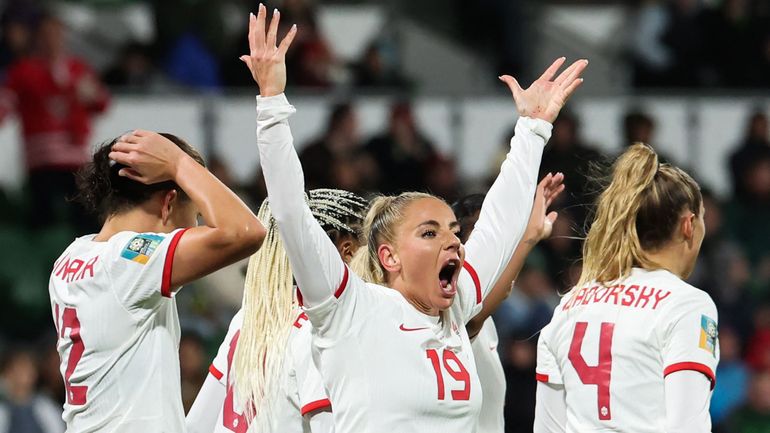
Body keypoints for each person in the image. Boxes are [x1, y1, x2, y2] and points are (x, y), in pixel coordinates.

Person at [241, 5, 586, 431]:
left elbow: (499, 223)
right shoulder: (350, 309)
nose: (454, 241)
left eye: (454, 232)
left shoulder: (456, 307)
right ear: (388, 256)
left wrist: (532, 130)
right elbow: (292, 213)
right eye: (430, 232)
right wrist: (271, 103)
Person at [48, 131, 265, 432]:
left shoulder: (71, 257)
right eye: (197, 216)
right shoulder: (128, 260)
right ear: (169, 203)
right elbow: (246, 232)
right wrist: (178, 163)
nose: (197, 228)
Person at [534, 143, 719, 432]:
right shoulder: (687, 304)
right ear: (689, 225)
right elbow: (688, 426)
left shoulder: (569, 304)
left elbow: (547, 428)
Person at [185, 188, 367, 433]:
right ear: (348, 251)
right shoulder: (321, 330)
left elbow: (198, 422)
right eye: (369, 250)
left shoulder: (250, 317)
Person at [451, 173, 563, 433]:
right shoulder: (450, 306)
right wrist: (529, 238)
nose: (495, 242)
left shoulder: (488, 312)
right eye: (482, 231)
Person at [0, 12, 110, 230]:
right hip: (42, 160)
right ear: (37, 38)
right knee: (44, 220)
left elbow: (102, 103)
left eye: (57, 34)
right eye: (46, 34)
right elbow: (6, 103)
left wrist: (92, 94)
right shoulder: (24, 71)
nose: (53, 40)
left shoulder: (77, 69)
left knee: (85, 220)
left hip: (75, 157)